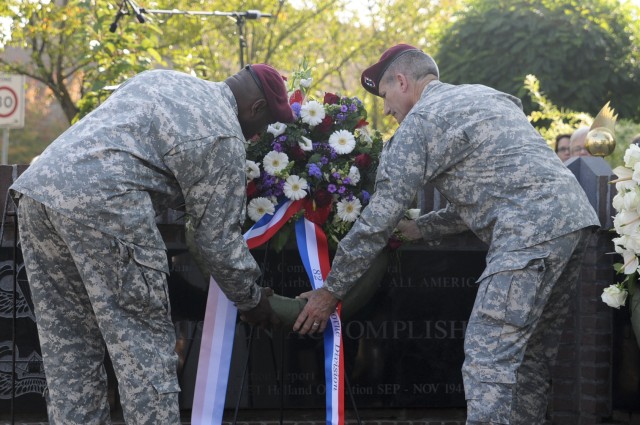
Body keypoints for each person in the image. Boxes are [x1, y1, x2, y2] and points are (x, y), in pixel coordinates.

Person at [293, 44, 600, 424]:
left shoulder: (421, 123)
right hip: (574, 224)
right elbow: (496, 188)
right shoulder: (487, 96)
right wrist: (420, 227)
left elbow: (376, 222)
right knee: (530, 357)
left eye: (386, 95)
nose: (387, 110)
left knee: (489, 360)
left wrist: (330, 291)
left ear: (402, 81)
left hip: (527, 235)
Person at [10, 64, 294, 425]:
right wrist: (251, 299)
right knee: (144, 356)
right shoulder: (224, 133)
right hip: (106, 205)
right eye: (265, 123)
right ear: (256, 109)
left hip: (37, 195)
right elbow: (217, 241)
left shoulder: (162, 77)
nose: (258, 136)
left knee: (69, 351)